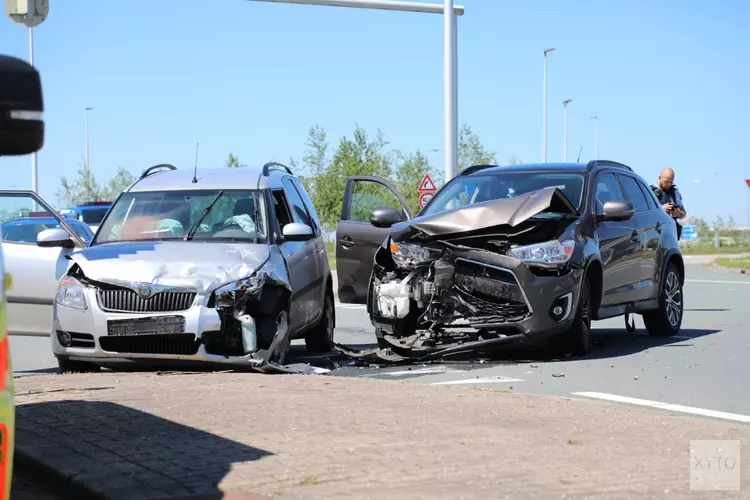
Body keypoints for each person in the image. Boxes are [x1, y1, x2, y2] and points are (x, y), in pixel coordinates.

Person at [651, 167, 687, 239]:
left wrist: (679, 214)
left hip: (671, 233)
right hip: (655, 232)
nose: (668, 184)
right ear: (659, 178)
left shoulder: (674, 193)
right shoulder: (650, 192)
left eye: (671, 182)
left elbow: (683, 213)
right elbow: (646, 211)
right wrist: (661, 209)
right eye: (666, 181)